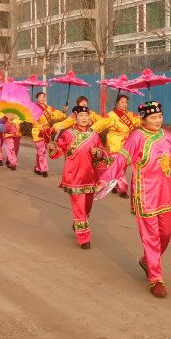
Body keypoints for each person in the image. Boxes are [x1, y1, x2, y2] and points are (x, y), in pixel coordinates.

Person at [102, 101, 171, 298]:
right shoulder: (137, 136)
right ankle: (156, 278)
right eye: (153, 117)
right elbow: (122, 159)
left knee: (166, 234)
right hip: (145, 194)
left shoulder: (166, 135)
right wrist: (105, 178)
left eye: (160, 116)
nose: (158, 120)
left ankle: (147, 260)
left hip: (166, 193)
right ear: (143, 119)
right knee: (151, 237)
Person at [48, 105, 110, 249]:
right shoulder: (68, 134)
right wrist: (53, 148)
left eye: (86, 116)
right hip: (73, 176)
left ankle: (79, 223)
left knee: (87, 207)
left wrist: (98, 152)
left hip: (90, 176)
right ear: (75, 118)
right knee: (79, 207)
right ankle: (84, 237)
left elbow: (103, 154)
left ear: (90, 118)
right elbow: (59, 151)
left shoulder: (94, 135)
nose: (84, 118)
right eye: (81, 116)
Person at [89, 95, 141, 199]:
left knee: (123, 167)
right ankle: (122, 189)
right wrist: (89, 131)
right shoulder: (111, 115)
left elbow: (140, 120)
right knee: (119, 167)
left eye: (126, 102)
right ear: (117, 103)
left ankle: (115, 183)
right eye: (122, 102)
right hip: (114, 144)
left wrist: (148, 116)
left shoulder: (130, 114)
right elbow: (101, 124)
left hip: (127, 145)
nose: (124, 104)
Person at [31, 91, 66, 178]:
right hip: (37, 132)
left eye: (43, 97)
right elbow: (32, 120)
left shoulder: (49, 108)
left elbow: (57, 115)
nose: (42, 98)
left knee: (41, 151)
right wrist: (39, 124)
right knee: (42, 150)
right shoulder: (34, 108)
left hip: (46, 132)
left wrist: (63, 111)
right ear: (37, 99)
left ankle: (38, 168)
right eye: (40, 97)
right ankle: (44, 169)